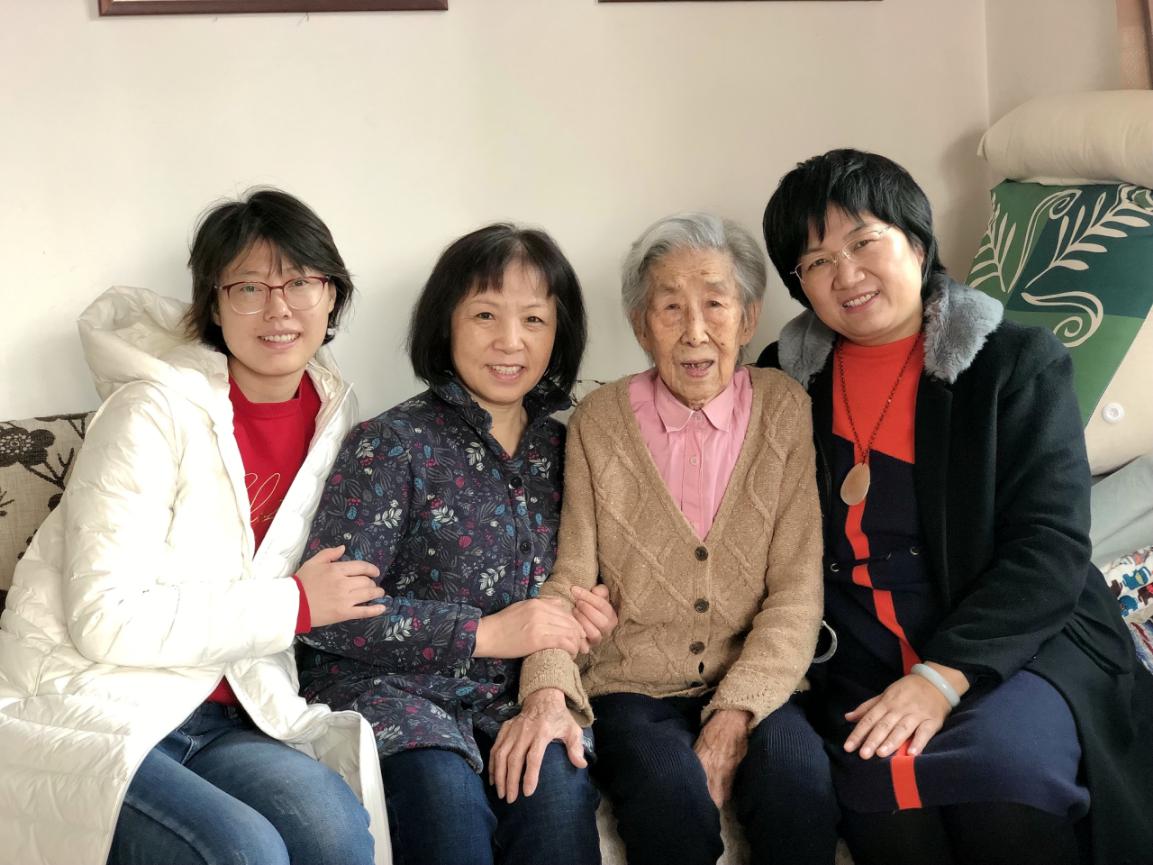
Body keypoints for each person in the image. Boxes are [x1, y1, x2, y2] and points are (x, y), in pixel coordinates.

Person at [757, 148, 1153, 865]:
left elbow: (1049, 545)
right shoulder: (782, 383)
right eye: (815, 261)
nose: (844, 274)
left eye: (863, 242)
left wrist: (941, 677)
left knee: (1002, 783)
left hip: (1017, 639)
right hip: (863, 655)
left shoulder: (1014, 361)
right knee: (887, 811)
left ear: (916, 241)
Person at [0, 188, 391, 865]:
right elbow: (103, 619)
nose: (278, 308)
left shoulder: (339, 419)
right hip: (95, 699)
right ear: (213, 304)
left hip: (235, 709)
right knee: (243, 849)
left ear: (332, 295)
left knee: (336, 833)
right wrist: (294, 605)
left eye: (300, 282)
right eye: (249, 287)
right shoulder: (149, 414)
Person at [495, 213, 838, 865]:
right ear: (640, 324)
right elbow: (570, 578)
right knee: (669, 801)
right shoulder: (599, 421)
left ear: (748, 317)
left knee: (798, 788)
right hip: (631, 686)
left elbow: (797, 589)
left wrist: (735, 711)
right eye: (670, 307)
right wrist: (546, 687)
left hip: (758, 677)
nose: (694, 330)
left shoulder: (784, 407)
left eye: (715, 303)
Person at [297, 223, 609, 865]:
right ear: (446, 323)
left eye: (534, 319)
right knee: (445, 810)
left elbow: (588, 585)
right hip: (395, 696)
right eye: (485, 315)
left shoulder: (574, 449)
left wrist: (592, 616)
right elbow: (329, 619)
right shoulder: (390, 444)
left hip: (521, 697)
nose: (510, 340)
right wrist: (483, 633)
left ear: (560, 332)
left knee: (558, 800)